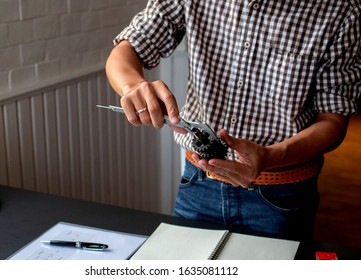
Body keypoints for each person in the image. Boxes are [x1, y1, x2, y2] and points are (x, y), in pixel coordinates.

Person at [106, 0, 361, 240]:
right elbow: (128, 50)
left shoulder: (342, 8)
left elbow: (333, 120)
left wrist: (272, 155)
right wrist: (132, 86)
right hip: (198, 183)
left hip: (282, 196)